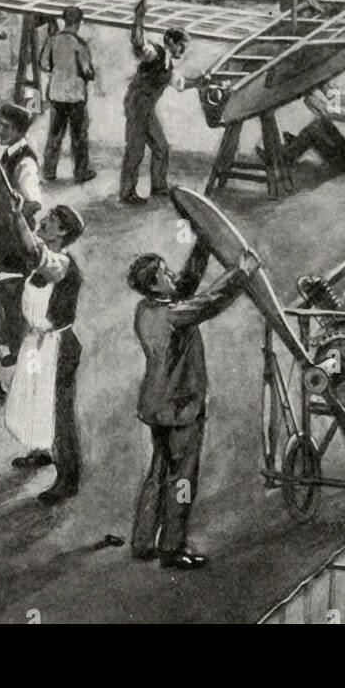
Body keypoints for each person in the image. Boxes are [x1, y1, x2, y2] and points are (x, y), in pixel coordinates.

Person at [128, 236, 256, 568]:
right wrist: (239, 273)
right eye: (165, 273)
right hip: (182, 410)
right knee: (182, 479)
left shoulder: (146, 310)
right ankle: (173, 546)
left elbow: (185, 286)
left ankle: (143, 541)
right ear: (156, 284)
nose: (172, 277)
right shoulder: (174, 316)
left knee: (157, 473)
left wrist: (203, 244)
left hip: (156, 408)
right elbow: (209, 302)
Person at [4, 204, 87, 505]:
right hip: (38, 341)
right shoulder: (48, 260)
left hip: (58, 345)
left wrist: (16, 216)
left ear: (62, 232)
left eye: (50, 220)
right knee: (31, 397)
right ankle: (40, 452)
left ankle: (69, 478)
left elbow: (33, 252)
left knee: (59, 412)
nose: (43, 221)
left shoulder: (59, 263)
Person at [119, 0, 202, 206]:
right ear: (171, 42)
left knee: (161, 147)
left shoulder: (168, 64)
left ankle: (158, 186)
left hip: (146, 109)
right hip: (137, 107)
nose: (183, 50)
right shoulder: (156, 54)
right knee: (135, 150)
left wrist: (202, 82)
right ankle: (127, 193)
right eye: (181, 45)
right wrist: (138, 18)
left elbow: (180, 84)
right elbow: (138, 42)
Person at [0, 101, 44, 364]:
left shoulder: (25, 161)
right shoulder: (8, 153)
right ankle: (8, 335)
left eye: (5, 127)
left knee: (12, 292)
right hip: (4, 236)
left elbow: (34, 201)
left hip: (15, 239)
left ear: (19, 131)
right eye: (0, 125)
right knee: (4, 290)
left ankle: (16, 348)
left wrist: (16, 215)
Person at [279, 72, 345, 173]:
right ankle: (297, 144)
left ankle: (284, 161)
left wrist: (308, 95)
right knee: (323, 124)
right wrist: (320, 82)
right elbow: (337, 100)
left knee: (314, 129)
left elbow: (324, 111)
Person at [40, 7, 96, 182]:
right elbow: (87, 71)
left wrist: (58, 69)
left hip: (57, 94)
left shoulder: (52, 40)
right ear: (79, 23)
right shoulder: (80, 43)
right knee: (79, 136)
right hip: (75, 96)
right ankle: (81, 172)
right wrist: (90, 74)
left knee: (54, 134)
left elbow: (44, 65)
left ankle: (49, 171)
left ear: (64, 20)